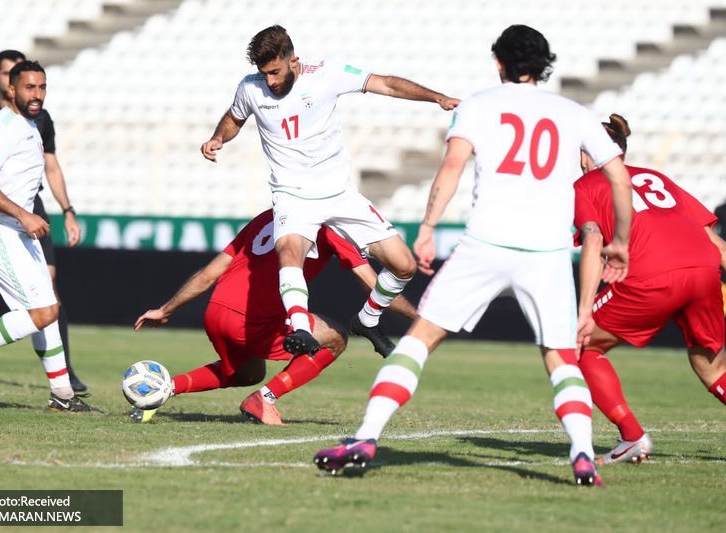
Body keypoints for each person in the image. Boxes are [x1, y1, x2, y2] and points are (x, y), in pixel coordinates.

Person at [314, 25, 634, 487]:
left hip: (486, 241)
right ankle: (583, 454)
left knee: (419, 341)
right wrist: (619, 240)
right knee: (561, 358)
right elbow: (619, 180)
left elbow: (450, 168)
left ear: (499, 63)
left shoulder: (480, 105)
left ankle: (365, 437)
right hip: (546, 249)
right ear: (544, 65)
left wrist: (426, 229)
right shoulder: (573, 112)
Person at [201, 25, 458, 359]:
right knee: (290, 251)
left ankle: (367, 319)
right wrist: (219, 137)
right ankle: (301, 329)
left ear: (293, 60)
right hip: (292, 195)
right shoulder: (251, 89)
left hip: (341, 195)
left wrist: (435, 97)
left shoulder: (327, 74)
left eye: (275, 73)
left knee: (403, 265)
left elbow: (385, 83)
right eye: (264, 75)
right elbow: (234, 118)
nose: (271, 82)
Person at [134, 209, 417, 424]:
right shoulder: (327, 228)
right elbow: (372, 284)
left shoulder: (266, 217)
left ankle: (164, 389)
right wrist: (420, 316)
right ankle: (264, 399)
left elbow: (209, 273)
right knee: (335, 337)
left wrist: (166, 309)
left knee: (249, 373)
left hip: (216, 312)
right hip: (252, 322)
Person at [573, 114, 726, 464]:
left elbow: (594, 240)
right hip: (703, 270)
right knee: (712, 367)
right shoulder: (658, 178)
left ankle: (632, 437)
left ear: (585, 153)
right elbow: (718, 247)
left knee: (581, 346)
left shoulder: (586, 186)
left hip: (649, 274)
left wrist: (584, 311)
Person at [0, 61, 95, 412]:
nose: (37, 95)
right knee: (43, 312)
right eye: (29, 87)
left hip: (17, 231)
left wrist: (60, 209)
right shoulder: (2, 127)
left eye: (42, 87)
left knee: (49, 310)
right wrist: (24, 214)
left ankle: (61, 395)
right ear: (10, 89)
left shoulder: (30, 124)